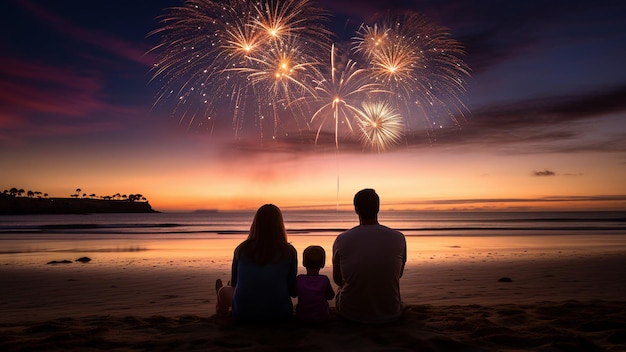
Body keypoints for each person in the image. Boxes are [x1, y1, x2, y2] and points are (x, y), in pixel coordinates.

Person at [332, 188, 407, 324]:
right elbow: (398, 274)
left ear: (356, 210)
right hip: (391, 313)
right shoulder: (398, 238)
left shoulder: (342, 239)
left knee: (341, 287)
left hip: (350, 315)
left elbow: (338, 280)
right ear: (378, 208)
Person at [215, 204, 297, 322]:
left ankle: (221, 314)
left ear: (256, 223)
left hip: (244, 315)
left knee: (223, 291)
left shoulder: (242, 249)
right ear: (280, 225)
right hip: (281, 314)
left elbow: (235, 283)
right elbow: (291, 288)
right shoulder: (289, 251)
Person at [295, 245, 335, 322]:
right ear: (323, 264)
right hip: (321, 316)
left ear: (303, 263)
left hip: (302, 316)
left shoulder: (299, 279)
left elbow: (294, 293)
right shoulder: (324, 279)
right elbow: (330, 296)